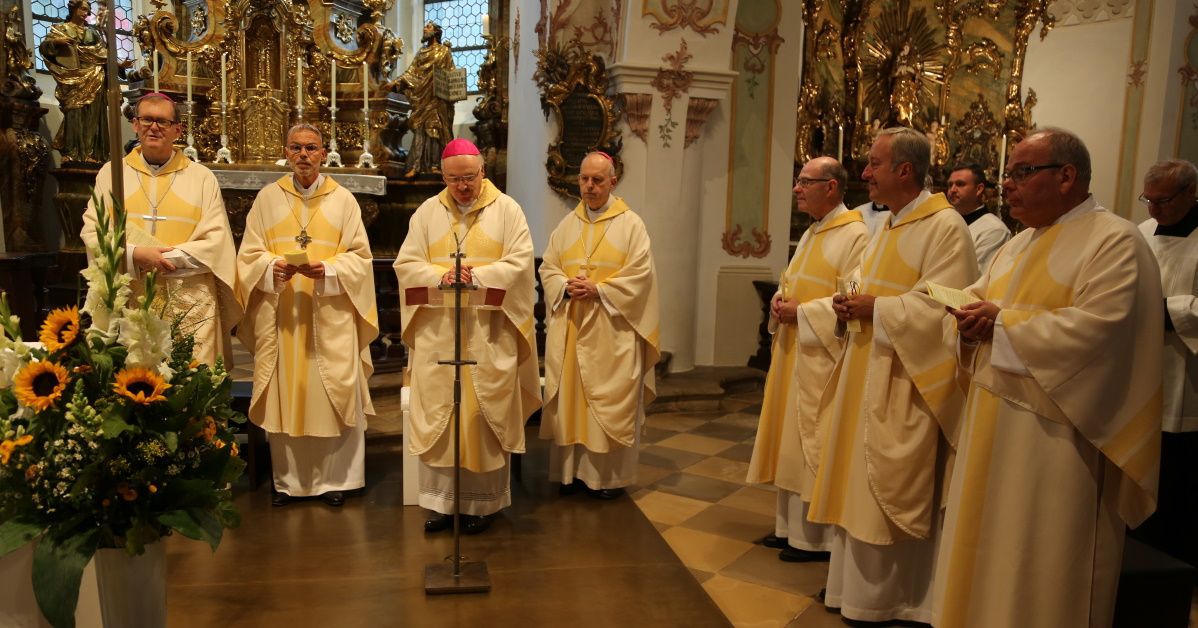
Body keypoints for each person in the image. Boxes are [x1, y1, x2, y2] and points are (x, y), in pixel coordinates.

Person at [935, 128, 1164, 627]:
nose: (1007, 185)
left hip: (1060, 440)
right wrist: (967, 323)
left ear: (1066, 176)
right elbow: (977, 299)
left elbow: (1103, 333)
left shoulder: (1115, 241)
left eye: (1022, 172)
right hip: (991, 427)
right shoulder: (1018, 244)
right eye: (1008, 174)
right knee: (985, 555)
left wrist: (1002, 323)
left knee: (1045, 563)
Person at [806, 127, 978, 624]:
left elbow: (951, 301)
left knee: (889, 484)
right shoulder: (889, 223)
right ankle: (852, 590)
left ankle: (894, 600)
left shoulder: (945, 227)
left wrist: (876, 308)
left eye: (874, 164)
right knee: (855, 483)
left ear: (904, 170)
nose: (864, 173)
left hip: (907, 378)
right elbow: (862, 278)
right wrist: (847, 299)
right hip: (866, 365)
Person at [394, 138, 541, 534]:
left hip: (488, 334)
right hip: (439, 333)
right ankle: (442, 504)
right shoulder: (427, 213)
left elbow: (520, 264)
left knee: (481, 416)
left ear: (483, 172)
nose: (462, 186)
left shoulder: (507, 211)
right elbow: (406, 264)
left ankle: (483, 505)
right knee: (442, 417)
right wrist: (438, 276)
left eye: (469, 178)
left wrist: (477, 276)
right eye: (454, 179)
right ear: (443, 177)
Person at [234, 123, 378, 508]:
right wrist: (272, 268)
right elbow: (248, 255)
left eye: (311, 148)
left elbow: (361, 259)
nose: (303, 155)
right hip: (283, 317)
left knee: (331, 394)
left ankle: (336, 480)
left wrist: (328, 270)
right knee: (289, 396)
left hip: (331, 315)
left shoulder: (344, 201)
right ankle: (289, 483)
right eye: (296, 148)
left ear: (323, 153)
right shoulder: (267, 199)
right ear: (286, 152)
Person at [747, 157, 868, 562]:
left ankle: (815, 539)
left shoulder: (856, 235)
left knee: (812, 441)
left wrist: (804, 312)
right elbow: (791, 281)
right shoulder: (814, 231)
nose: (796, 188)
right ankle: (788, 528)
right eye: (798, 181)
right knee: (790, 440)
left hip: (820, 357)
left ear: (831, 187)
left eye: (805, 182)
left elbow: (852, 295)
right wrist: (780, 301)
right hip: (794, 350)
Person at [81, 92, 239, 367]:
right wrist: (135, 254)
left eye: (163, 122)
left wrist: (165, 259)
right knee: (134, 380)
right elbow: (93, 233)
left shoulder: (201, 178)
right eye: (147, 120)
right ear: (135, 124)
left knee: (191, 378)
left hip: (188, 297)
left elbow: (217, 242)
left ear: (177, 129)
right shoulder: (112, 173)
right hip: (130, 293)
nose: (153, 127)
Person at [539, 152, 661, 500]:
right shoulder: (567, 225)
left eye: (597, 180)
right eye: (584, 179)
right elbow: (548, 267)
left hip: (612, 331)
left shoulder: (631, 225)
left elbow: (641, 276)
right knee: (573, 405)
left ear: (612, 182)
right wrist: (564, 286)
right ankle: (571, 474)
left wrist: (600, 290)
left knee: (606, 405)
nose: (589, 186)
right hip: (573, 329)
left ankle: (607, 480)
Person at [1131, 159, 1198, 568]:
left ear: (1191, 193)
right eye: (1149, 200)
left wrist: (1169, 311)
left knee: (1180, 480)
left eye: (1164, 200)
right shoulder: (1140, 233)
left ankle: (1177, 565)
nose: (1154, 209)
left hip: (1187, 375)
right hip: (1140, 367)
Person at [39, 0, 131, 164]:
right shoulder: (60, 29)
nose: (85, 13)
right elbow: (45, 48)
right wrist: (56, 43)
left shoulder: (92, 33)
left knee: (94, 116)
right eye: (82, 9)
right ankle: (72, 153)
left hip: (95, 76)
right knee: (74, 114)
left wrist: (118, 65)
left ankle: (93, 154)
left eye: (87, 10)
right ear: (73, 9)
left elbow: (103, 55)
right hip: (72, 78)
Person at [393, 22, 456, 178]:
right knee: (420, 129)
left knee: (435, 128)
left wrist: (454, 92)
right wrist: (397, 82)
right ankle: (416, 165)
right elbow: (411, 72)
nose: (424, 29)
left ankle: (436, 165)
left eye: (428, 27)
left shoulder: (444, 51)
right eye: (425, 27)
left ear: (436, 32)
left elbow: (452, 73)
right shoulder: (421, 53)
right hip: (422, 97)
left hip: (438, 98)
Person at [946, 163, 1011, 273]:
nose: (952, 190)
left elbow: (977, 275)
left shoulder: (995, 230)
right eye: (950, 185)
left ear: (979, 189)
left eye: (960, 184)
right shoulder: (946, 222)